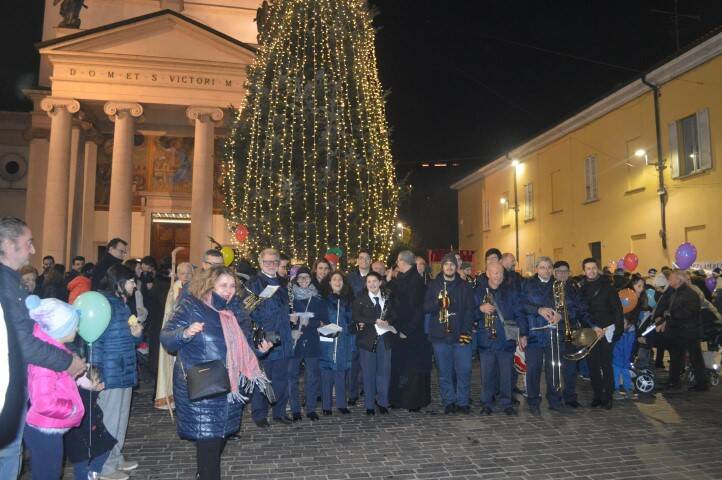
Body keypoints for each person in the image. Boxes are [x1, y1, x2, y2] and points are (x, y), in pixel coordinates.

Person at [161, 266, 272, 480]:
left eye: (232, 286)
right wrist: (185, 333)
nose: (228, 291)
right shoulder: (192, 305)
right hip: (205, 386)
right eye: (223, 285)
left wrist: (260, 350)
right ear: (210, 284)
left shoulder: (236, 311)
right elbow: (166, 336)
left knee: (218, 440)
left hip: (230, 388)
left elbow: (244, 346)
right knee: (210, 442)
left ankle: (203, 472)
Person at [0, 217, 85, 478]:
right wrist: (67, 362)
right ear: (8, 244)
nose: (33, 250)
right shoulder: (5, 283)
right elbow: (22, 342)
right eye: (28, 243)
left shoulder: (10, 280)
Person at [23, 295, 85, 480]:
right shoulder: (46, 362)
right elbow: (43, 402)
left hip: (49, 425)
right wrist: (71, 409)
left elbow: (58, 383)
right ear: (61, 328)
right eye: (74, 324)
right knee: (47, 473)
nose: (78, 328)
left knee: (50, 470)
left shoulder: (55, 351)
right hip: (44, 427)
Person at [94, 264, 143, 479]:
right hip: (110, 371)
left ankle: (115, 458)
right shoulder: (103, 304)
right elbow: (94, 340)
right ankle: (104, 467)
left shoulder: (123, 304)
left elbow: (130, 339)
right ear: (120, 283)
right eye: (132, 281)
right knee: (109, 420)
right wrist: (95, 372)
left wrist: (137, 334)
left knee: (121, 418)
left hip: (125, 367)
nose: (135, 285)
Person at [424, 253, 474, 414]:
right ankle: (449, 401)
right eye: (446, 264)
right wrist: (438, 303)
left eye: (452, 264)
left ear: (456, 267)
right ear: (442, 266)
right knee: (444, 371)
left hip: (461, 334)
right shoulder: (433, 285)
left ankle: (463, 401)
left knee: (464, 370)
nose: (449, 267)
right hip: (440, 336)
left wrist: (466, 332)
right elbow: (425, 307)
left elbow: (469, 310)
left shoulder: (464, 285)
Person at [248, 248, 293, 427]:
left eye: (275, 262)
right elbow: (247, 312)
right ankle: (260, 415)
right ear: (260, 263)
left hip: (283, 337)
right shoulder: (253, 283)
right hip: (265, 338)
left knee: (282, 378)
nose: (272, 265)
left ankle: (279, 412)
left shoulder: (283, 283)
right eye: (267, 262)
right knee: (262, 378)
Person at [478, 262, 523, 416]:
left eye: (501, 273)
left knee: (506, 374)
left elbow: (519, 313)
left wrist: (523, 334)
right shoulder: (479, 291)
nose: (498, 276)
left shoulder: (510, 292)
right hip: (486, 340)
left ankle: (506, 403)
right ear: (487, 273)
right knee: (487, 375)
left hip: (505, 340)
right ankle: (486, 403)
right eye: (495, 273)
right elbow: (469, 312)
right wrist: (480, 309)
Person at [578, 258, 624, 409]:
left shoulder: (608, 287)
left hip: (606, 331)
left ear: (597, 269)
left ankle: (608, 396)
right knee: (592, 365)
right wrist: (592, 327)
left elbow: (617, 310)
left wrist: (617, 329)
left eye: (593, 268)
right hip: (590, 331)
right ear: (583, 271)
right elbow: (581, 312)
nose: (590, 271)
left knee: (606, 364)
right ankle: (597, 395)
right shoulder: (581, 289)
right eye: (587, 268)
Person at [388, 250, 431, 412]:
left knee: (413, 369)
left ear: (402, 262)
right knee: (401, 367)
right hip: (399, 329)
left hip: (411, 332)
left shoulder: (416, 281)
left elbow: (418, 309)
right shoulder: (403, 278)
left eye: (398, 261)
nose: (397, 264)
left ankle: (413, 401)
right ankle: (399, 399)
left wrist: (407, 330)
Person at [655, 270, 707, 391]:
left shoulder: (689, 293)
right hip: (679, 330)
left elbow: (689, 312)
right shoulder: (676, 292)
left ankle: (701, 384)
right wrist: (666, 314)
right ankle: (674, 381)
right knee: (676, 357)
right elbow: (669, 306)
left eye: (672, 278)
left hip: (689, 331)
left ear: (679, 280)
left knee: (695, 357)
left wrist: (671, 314)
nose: (669, 280)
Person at [353, 271, 396, 415]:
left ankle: (383, 402)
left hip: (384, 339)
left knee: (384, 372)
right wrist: (374, 321)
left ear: (380, 282)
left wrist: (388, 321)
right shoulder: (360, 299)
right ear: (366, 284)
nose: (372, 284)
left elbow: (395, 314)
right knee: (368, 373)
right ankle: (370, 405)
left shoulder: (387, 297)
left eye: (375, 281)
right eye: (369, 281)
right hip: (367, 340)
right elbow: (356, 316)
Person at [287, 266, 327, 420]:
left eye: (306, 277)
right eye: (300, 278)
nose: (303, 280)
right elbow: (284, 319)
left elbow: (325, 321)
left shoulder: (317, 299)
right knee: (292, 376)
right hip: (294, 341)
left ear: (311, 279)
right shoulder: (290, 298)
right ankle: (296, 409)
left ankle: (311, 408)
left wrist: (310, 322)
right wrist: (291, 327)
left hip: (311, 341)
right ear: (296, 280)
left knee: (312, 376)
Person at [65, 366, 117, 480]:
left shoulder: (85, 392)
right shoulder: (81, 394)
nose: (99, 381)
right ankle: (89, 475)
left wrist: (95, 391)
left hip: (88, 436)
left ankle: (93, 474)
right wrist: (94, 392)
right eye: (96, 379)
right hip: (79, 440)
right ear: (86, 382)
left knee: (105, 449)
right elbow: (87, 406)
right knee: (82, 466)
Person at [155, 260, 194, 411]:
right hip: (177, 332)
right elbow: (169, 312)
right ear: (177, 274)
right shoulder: (174, 287)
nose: (186, 276)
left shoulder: (195, 287)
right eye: (183, 273)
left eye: (189, 273)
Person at [319, 271, 354, 414]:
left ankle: (341, 404)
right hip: (327, 339)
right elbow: (319, 318)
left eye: (340, 280)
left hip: (343, 339)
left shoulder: (348, 301)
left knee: (341, 372)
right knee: (327, 373)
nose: (337, 282)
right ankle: (326, 406)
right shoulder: (324, 300)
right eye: (334, 279)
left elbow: (352, 319)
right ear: (329, 282)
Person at [346, 250, 371, 404]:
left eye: (366, 258)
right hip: (354, 322)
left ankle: (367, 390)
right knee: (353, 360)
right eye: (360, 258)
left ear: (370, 261)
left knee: (367, 360)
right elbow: (347, 299)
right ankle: (353, 392)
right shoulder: (350, 278)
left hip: (369, 324)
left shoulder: (375, 277)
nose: (363, 260)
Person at [613, 316, 637, 400]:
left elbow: (632, 347)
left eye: (623, 323)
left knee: (626, 375)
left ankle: (629, 390)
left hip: (626, 360)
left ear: (629, 325)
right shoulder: (616, 333)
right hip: (616, 359)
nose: (621, 325)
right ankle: (615, 391)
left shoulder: (632, 334)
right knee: (615, 375)